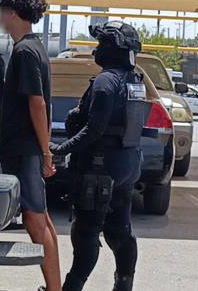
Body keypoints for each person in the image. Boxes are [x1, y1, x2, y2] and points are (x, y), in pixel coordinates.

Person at [50, 21, 146, 291]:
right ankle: (124, 284)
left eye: (102, 43)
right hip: (126, 166)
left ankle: (72, 286)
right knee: (119, 231)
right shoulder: (134, 80)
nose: (98, 49)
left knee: (86, 234)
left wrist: (62, 148)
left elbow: (94, 130)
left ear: (113, 48)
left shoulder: (106, 81)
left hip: (99, 168)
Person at [0, 0, 61, 291]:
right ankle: (54, 286)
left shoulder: (23, 52)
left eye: (1, 11)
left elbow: (38, 103)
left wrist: (45, 152)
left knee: (35, 219)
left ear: (13, 13)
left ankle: (54, 288)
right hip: (28, 147)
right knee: (42, 217)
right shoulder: (35, 48)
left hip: (23, 148)